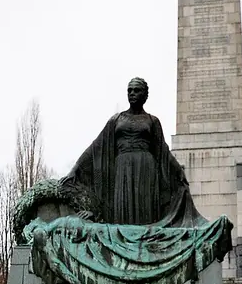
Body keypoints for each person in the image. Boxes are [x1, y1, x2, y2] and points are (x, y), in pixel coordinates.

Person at [60, 77, 206, 228]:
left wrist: (178, 172)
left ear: (145, 95)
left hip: (146, 169)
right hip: (122, 168)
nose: (132, 93)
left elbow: (163, 151)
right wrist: (75, 169)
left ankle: (145, 244)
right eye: (129, 90)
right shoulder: (116, 120)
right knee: (122, 208)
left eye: (137, 90)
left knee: (145, 209)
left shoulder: (152, 120)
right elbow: (95, 147)